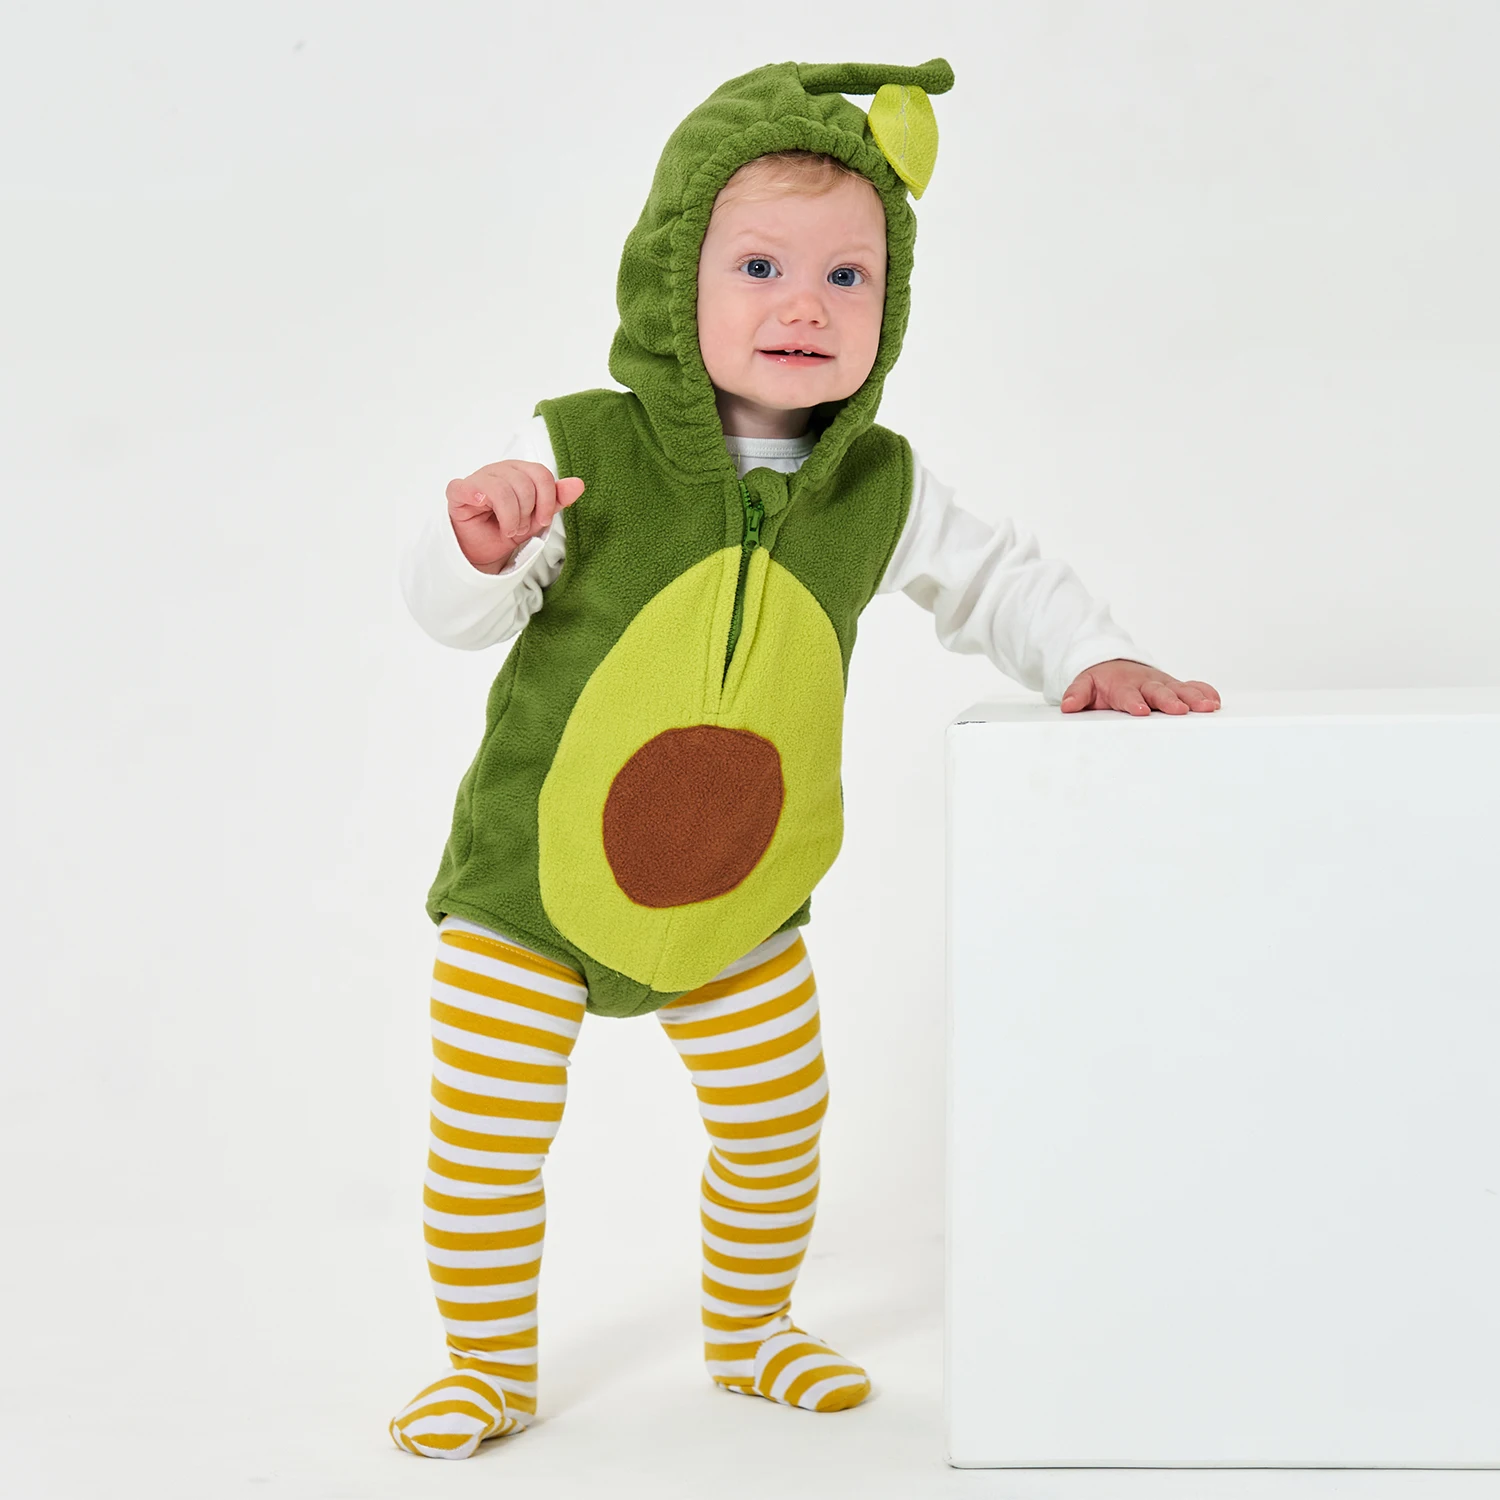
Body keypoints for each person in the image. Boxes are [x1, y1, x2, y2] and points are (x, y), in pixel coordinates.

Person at [389, 56, 1221, 1460]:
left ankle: (754, 1327)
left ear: (891, 309)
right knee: (489, 1133)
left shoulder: (875, 487)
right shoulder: (583, 451)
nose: (805, 306)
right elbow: (459, 617)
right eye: (761, 266)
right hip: (526, 893)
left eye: (849, 277)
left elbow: (998, 580)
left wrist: (1090, 653)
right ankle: (486, 1367)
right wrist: (476, 546)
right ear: (675, 281)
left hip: (739, 896)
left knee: (778, 1119)